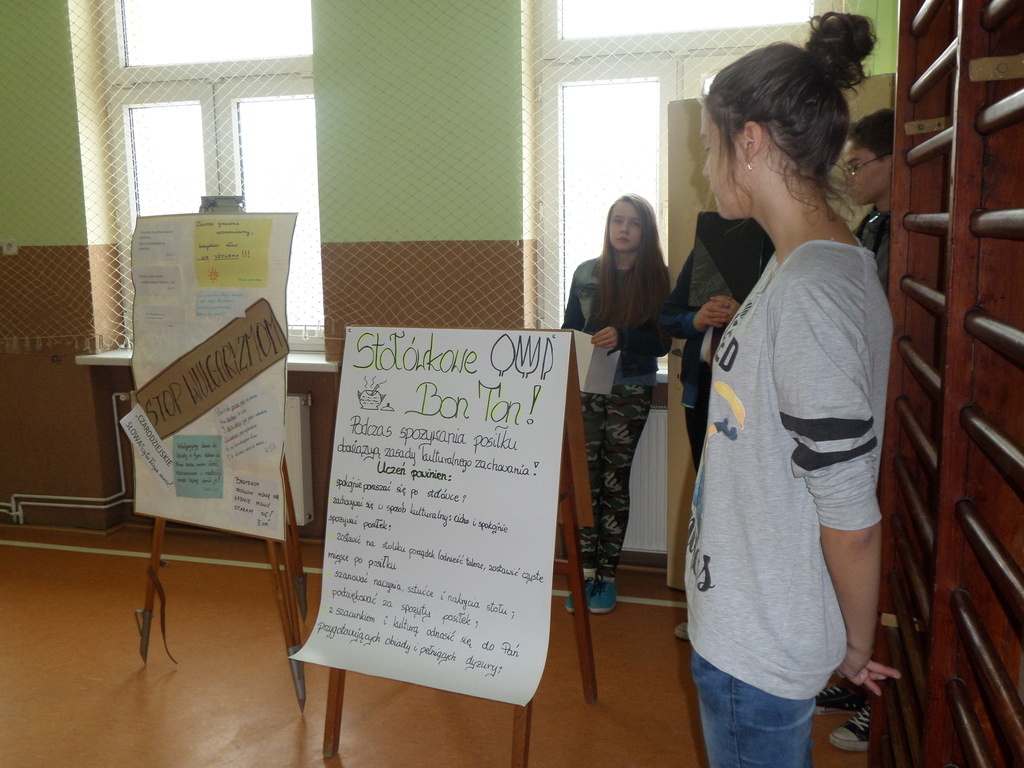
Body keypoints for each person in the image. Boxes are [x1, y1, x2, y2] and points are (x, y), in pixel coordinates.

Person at [686, 13, 901, 767]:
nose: (705, 168)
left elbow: (850, 514)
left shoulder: (812, 286)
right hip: (750, 624)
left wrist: (856, 642)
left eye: (709, 146)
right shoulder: (797, 265)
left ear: (749, 142)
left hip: (759, 646)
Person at [812, 107, 896, 753]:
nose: (850, 175)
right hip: (863, 403)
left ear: (895, 162)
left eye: (858, 163)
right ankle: (850, 672)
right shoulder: (869, 227)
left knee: (869, 549)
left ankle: (873, 691)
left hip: (882, 410)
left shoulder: (910, 231)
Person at [661, 214, 774, 642]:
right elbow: (668, 316)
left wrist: (742, 312)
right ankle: (707, 613)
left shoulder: (780, 248)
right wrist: (699, 319)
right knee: (707, 502)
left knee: (746, 505)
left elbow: (783, 323)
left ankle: (744, 617)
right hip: (702, 391)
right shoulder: (707, 249)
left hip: (750, 399)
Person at [561, 193, 671, 614]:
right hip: (588, 386)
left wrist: (624, 337)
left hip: (631, 385)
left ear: (646, 231)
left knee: (614, 480)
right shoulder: (586, 272)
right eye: (617, 221)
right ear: (608, 227)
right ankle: (584, 574)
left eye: (634, 223)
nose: (624, 229)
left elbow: (662, 342)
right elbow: (570, 328)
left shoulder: (657, 277)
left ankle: (606, 576)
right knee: (586, 480)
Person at [844, 108, 895, 288]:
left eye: (856, 167)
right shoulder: (869, 226)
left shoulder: (909, 232)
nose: (848, 179)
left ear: (891, 162)